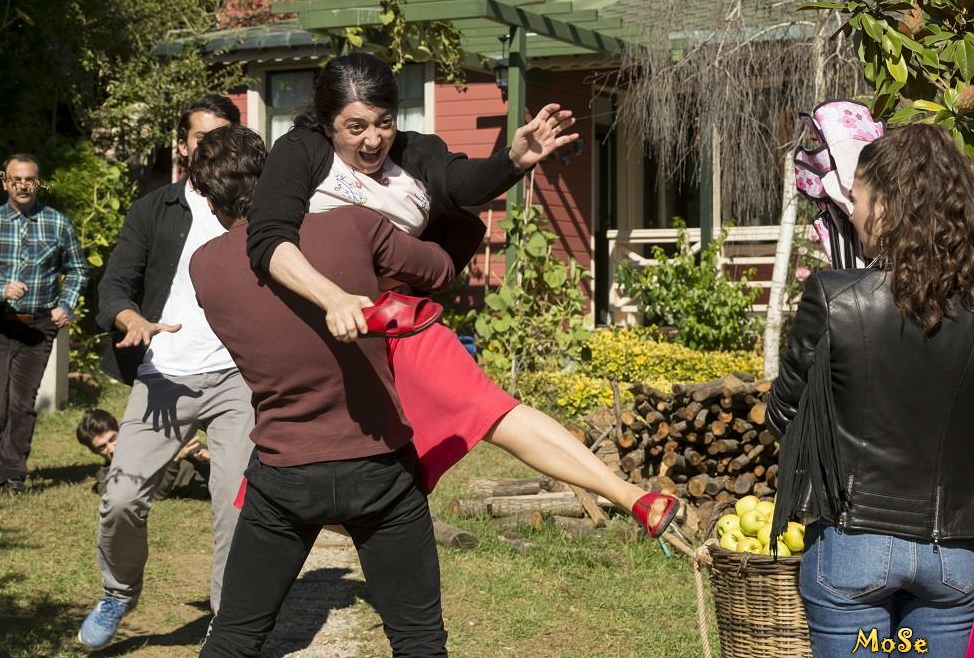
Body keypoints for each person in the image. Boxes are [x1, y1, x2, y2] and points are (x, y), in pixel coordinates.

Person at [245, 52, 676, 535]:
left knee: (486, 405)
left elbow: (461, 183)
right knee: (309, 472)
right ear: (328, 125)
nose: (374, 139)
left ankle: (631, 497)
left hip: (395, 319)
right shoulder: (301, 151)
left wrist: (513, 160)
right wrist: (333, 299)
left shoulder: (414, 151)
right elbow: (268, 240)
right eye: (356, 127)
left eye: (384, 122)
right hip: (321, 324)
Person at [189, 124, 454, 658]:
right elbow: (441, 271)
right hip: (379, 466)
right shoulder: (353, 224)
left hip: (284, 473)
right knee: (418, 640)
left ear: (211, 203)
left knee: (235, 637)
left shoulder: (205, 267)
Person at [767, 124, 974, 657]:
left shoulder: (834, 297)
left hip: (852, 545)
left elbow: (784, 415)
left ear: (886, 206)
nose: (854, 213)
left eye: (857, 199)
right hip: (954, 556)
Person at [77, 95, 255, 650]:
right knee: (121, 498)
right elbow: (114, 286)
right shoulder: (154, 209)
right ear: (183, 147)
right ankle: (117, 592)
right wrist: (130, 318)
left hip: (238, 377)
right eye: (202, 139)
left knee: (236, 503)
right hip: (163, 378)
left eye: (223, 138)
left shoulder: (257, 208)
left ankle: (230, 620)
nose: (212, 149)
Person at [0, 153, 89, 494]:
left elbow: (78, 270)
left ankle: (12, 475)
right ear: (5, 183)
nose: (22, 185)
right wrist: (0, 289)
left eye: (29, 179)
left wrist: (65, 305)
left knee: (22, 404)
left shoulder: (58, 224)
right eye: (16, 179)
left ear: (38, 183)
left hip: (37, 327)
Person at [76, 408, 210, 499]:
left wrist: (204, 453)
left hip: (212, 469)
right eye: (102, 447)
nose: (111, 449)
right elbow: (157, 494)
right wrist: (176, 459)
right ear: (94, 451)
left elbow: (186, 442)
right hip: (206, 489)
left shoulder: (145, 436)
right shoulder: (107, 479)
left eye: (112, 439)